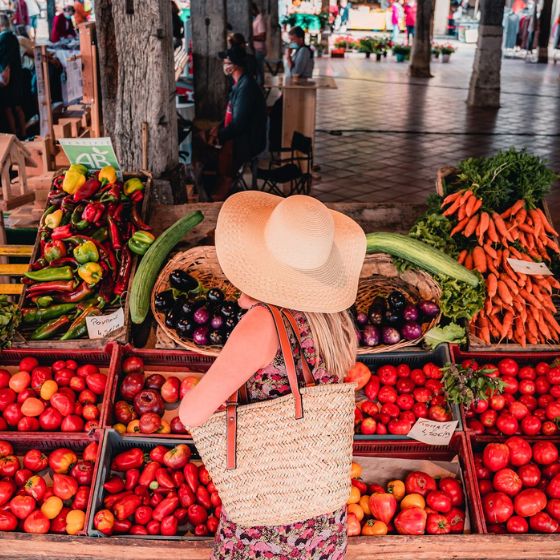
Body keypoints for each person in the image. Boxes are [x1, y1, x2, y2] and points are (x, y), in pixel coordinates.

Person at [179, 191, 366, 559]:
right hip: (322, 515)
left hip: (269, 518)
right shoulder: (333, 320)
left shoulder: (262, 325)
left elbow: (191, 414)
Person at [203, 46, 266, 200]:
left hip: (248, 141)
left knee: (209, 154)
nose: (224, 65)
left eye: (226, 62)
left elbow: (239, 125)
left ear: (235, 65)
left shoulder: (246, 88)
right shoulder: (240, 85)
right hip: (243, 136)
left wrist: (219, 136)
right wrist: (218, 129)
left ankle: (220, 191)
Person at [0, 14, 26, 137]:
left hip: (8, 77)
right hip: (16, 75)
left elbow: (5, 60)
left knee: (9, 107)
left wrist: (4, 74)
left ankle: (15, 134)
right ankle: (22, 132)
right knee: (16, 106)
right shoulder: (12, 37)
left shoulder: (3, 39)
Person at [251, 2, 266, 87]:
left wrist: (251, 37)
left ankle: (260, 87)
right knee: (256, 69)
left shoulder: (260, 19)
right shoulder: (255, 19)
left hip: (259, 49)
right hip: (254, 48)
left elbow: (263, 36)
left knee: (259, 70)